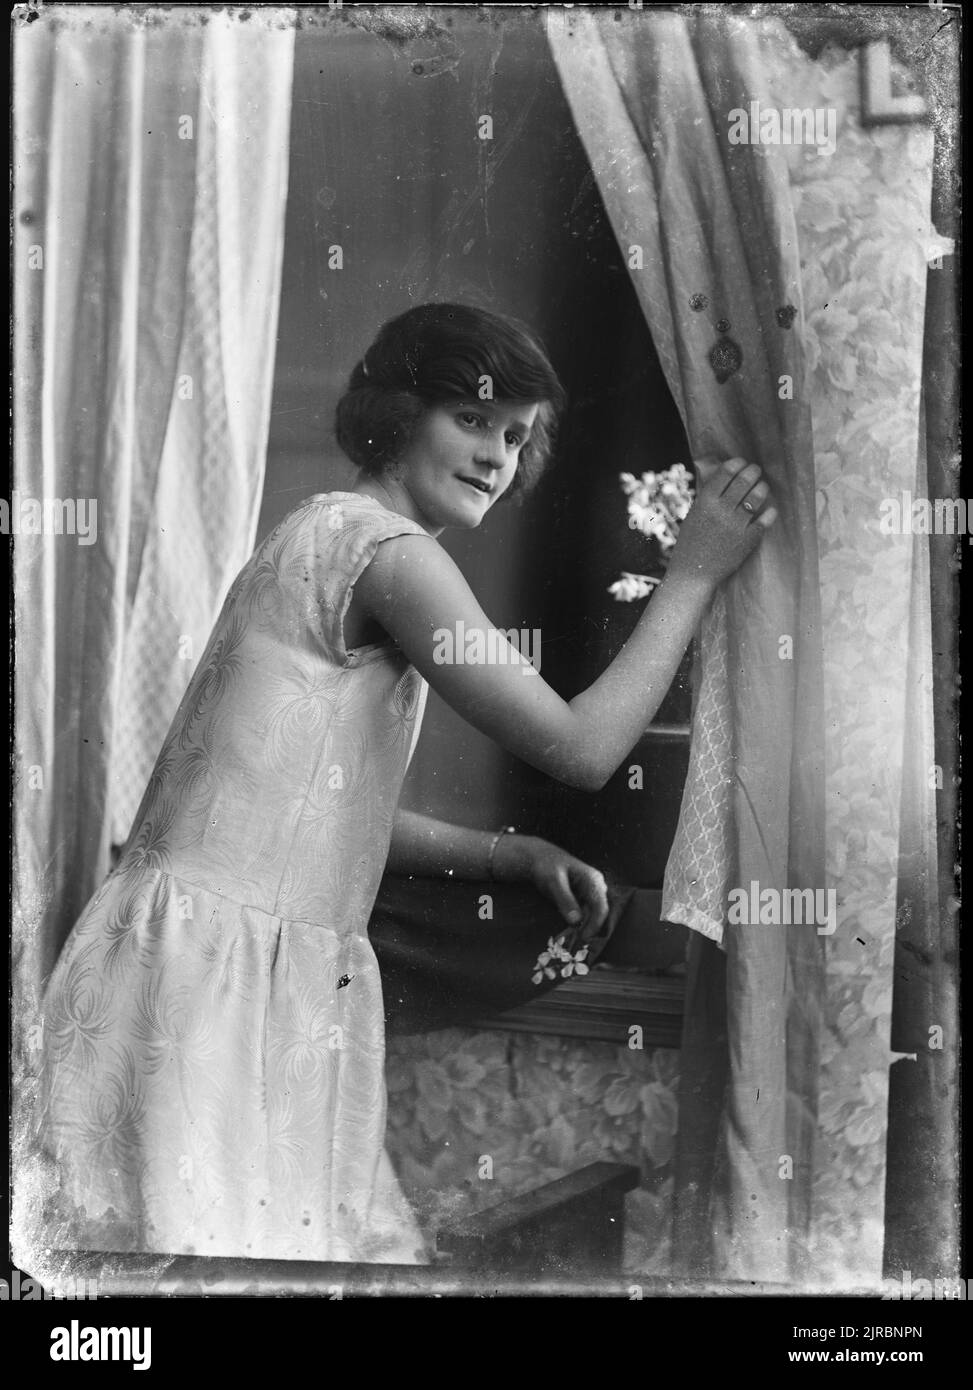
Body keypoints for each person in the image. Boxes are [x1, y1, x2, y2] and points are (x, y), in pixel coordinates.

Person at [37, 302, 775, 1265]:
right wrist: (692, 574)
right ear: (397, 413)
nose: (494, 455)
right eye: (470, 418)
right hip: (211, 982)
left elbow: (297, 810)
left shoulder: (320, 533)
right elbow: (582, 750)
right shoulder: (392, 556)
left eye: (514, 435)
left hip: (202, 961)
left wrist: (506, 853)